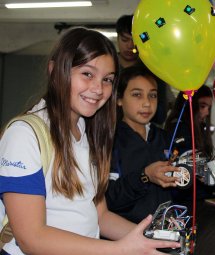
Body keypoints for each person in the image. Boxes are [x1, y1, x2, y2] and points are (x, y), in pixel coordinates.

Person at [0, 27, 179, 255]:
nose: (98, 89)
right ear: (55, 70)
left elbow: (100, 215)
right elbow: (31, 238)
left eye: (107, 80)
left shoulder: (87, 131)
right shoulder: (25, 135)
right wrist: (120, 250)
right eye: (87, 74)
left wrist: (151, 241)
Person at [105, 65, 179, 224]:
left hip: (165, 230)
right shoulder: (109, 141)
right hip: (126, 236)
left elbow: (176, 192)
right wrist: (144, 176)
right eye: (137, 95)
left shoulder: (164, 138)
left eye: (152, 95)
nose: (147, 103)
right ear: (119, 99)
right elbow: (109, 199)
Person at [164, 85, 215, 205]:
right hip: (185, 200)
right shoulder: (179, 129)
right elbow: (201, 167)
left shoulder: (196, 127)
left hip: (198, 197)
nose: (206, 112)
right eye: (202, 106)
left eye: (208, 107)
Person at [115, 14, 174, 126]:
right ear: (117, 38)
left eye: (135, 40)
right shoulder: (109, 67)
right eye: (124, 40)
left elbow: (161, 113)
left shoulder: (152, 70)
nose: (130, 45)